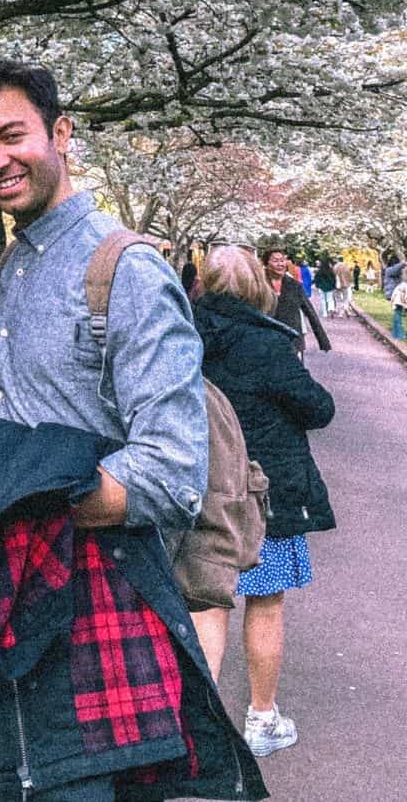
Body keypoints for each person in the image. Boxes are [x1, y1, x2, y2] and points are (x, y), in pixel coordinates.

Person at [0, 61, 227, 801]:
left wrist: (14, 506)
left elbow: (171, 470)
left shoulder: (123, 269)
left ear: (61, 134)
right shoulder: (15, 261)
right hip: (15, 598)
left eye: (12, 135)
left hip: (100, 598)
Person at [191, 246, 335, 758]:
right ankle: (262, 718)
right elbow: (318, 408)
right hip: (263, 497)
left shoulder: (182, 336)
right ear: (257, 287)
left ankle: (199, 729)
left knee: (205, 603)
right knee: (266, 603)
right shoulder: (268, 345)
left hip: (202, 492)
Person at [261, 247, 330, 356]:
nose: (280, 264)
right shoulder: (257, 285)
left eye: (282, 260)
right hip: (265, 341)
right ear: (266, 263)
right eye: (275, 261)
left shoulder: (294, 285)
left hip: (292, 341)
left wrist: (323, 340)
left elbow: (310, 312)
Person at [390, 274, 407, 340]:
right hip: (399, 302)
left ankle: (395, 333)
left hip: (396, 301)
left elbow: (394, 293)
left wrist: (392, 302)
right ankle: (400, 334)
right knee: (398, 318)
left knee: (396, 317)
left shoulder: (400, 285)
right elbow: (406, 297)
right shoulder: (406, 286)